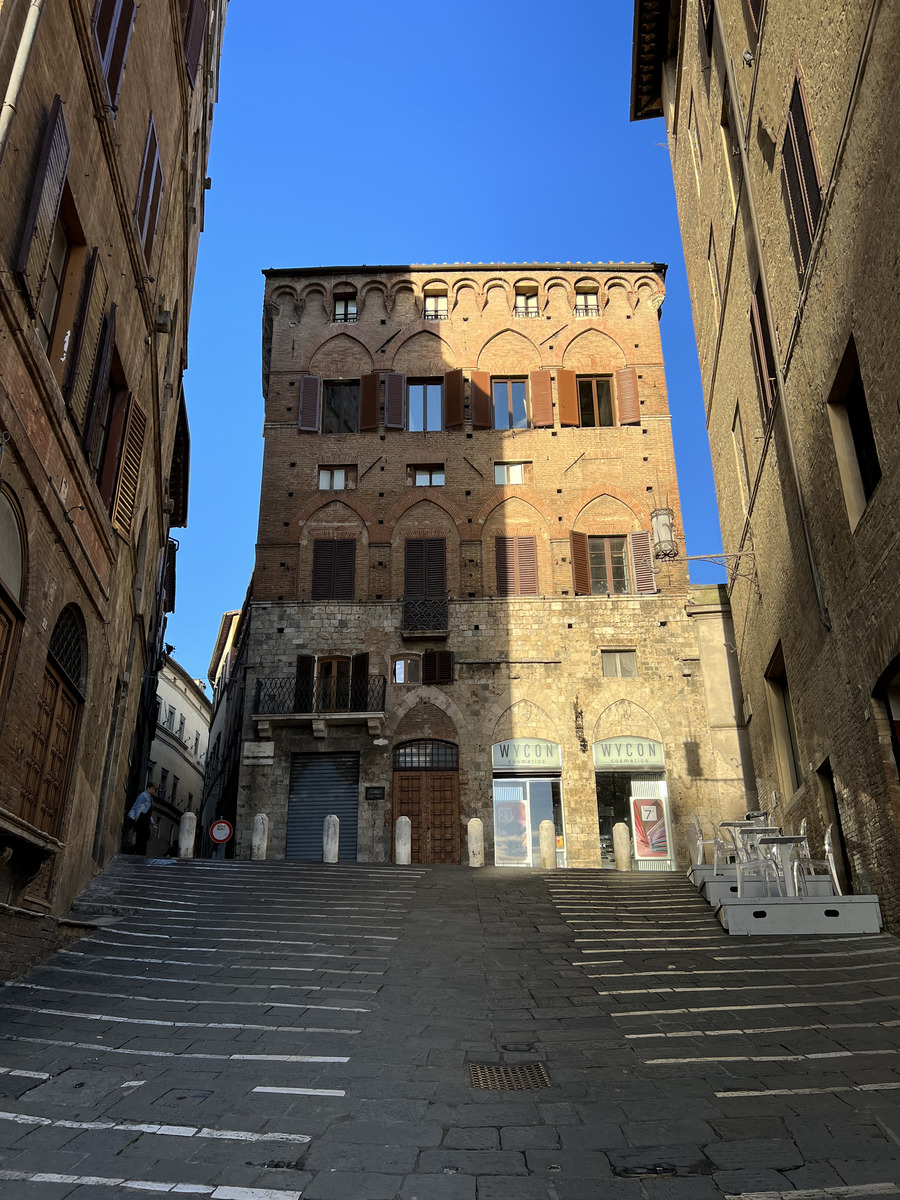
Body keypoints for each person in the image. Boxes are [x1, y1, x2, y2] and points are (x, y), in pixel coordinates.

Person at [126, 782, 158, 855]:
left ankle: (140, 851)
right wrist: (136, 817)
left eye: (154, 790)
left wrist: (152, 822)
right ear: (148, 788)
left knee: (145, 835)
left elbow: (148, 811)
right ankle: (139, 851)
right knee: (142, 835)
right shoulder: (143, 795)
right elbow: (138, 806)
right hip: (141, 818)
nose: (153, 791)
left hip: (145, 818)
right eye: (152, 789)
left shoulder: (149, 798)